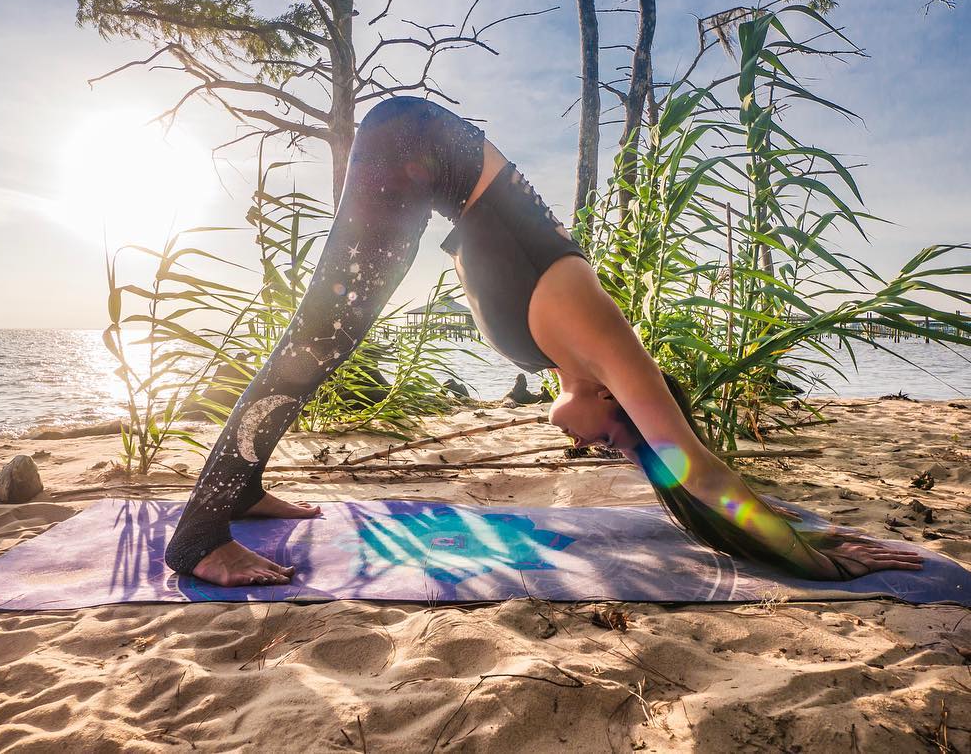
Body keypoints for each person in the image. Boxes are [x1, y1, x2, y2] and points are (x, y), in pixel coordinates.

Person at [165, 96, 923, 586]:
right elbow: (704, 472)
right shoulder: (607, 346)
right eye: (615, 443)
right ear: (613, 399)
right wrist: (819, 559)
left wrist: (802, 518)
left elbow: (701, 475)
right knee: (317, 342)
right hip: (414, 144)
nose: (599, 449)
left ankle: (244, 489)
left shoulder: (563, 358)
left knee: (322, 342)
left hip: (422, 159)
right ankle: (200, 533)